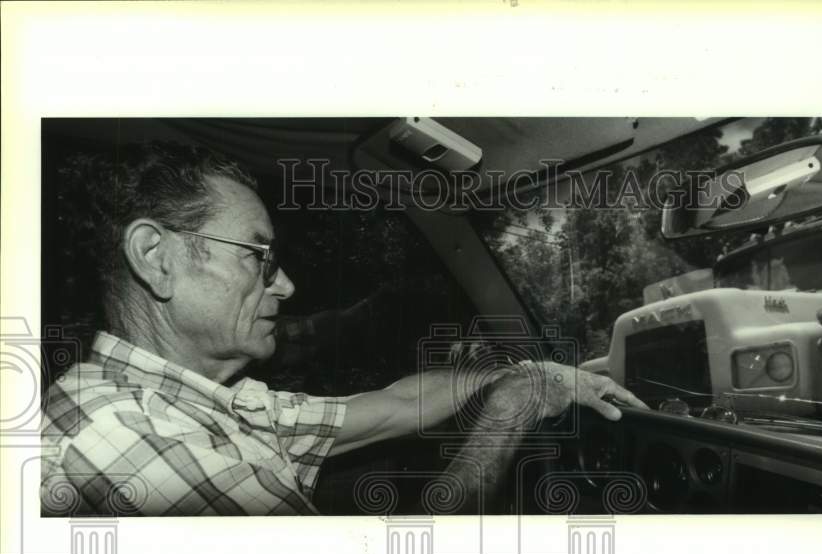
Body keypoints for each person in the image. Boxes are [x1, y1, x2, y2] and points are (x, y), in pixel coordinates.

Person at [40, 142, 644, 516]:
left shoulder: (209, 401)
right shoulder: (125, 438)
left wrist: (527, 372)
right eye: (259, 255)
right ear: (155, 256)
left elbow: (392, 405)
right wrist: (510, 411)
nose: (286, 286)